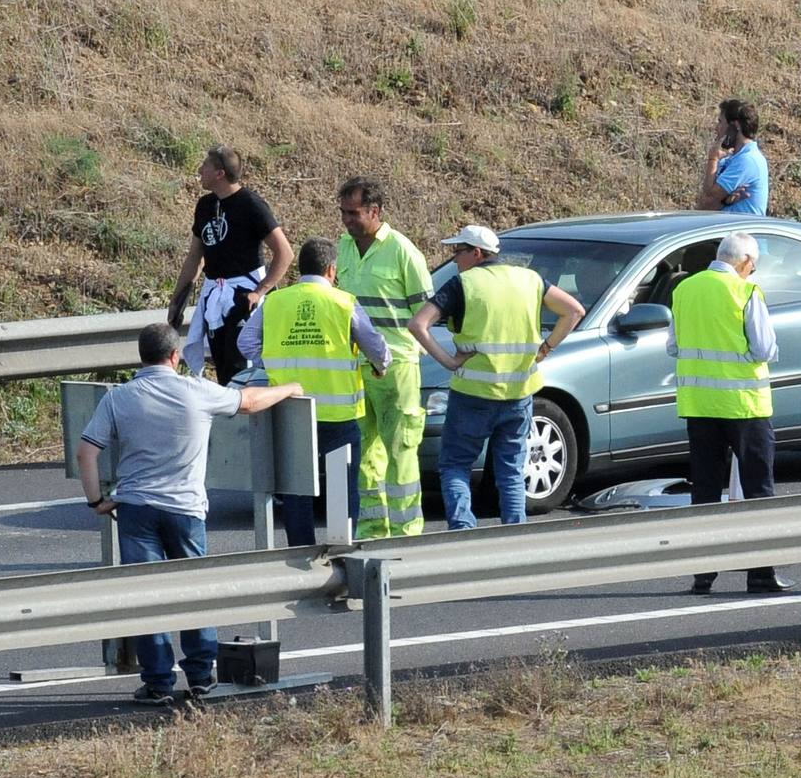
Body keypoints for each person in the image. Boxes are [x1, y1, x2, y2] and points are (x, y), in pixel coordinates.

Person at [75, 324, 302, 706]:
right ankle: (200, 677)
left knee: (147, 596)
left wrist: (96, 500)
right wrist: (289, 389)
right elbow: (248, 401)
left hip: (136, 509)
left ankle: (158, 683)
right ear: (175, 356)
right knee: (195, 593)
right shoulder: (195, 390)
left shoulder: (119, 398)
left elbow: (87, 451)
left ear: (141, 356)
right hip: (185, 509)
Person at [407, 225, 585, 528]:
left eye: (458, 252)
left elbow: (417, 325)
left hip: (472, 395)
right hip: (518, 394)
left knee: (455, 466)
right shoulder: (530, 279)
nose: (455, 259)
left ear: (477, 253)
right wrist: (546, 348)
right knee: (512, 470)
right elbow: (574, 311)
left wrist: (449, 361)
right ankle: (514, 535)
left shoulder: (464, 283)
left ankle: (464, 532)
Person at [240, 237, 389, 546]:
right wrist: (381, 365)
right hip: (338, 414)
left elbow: (246, 343)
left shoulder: (277, 301)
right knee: (342, 489)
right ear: (331, 269)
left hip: (290, 409)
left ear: (299, 269)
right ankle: (341, 549)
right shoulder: (343, 302)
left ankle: (300, 551)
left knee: (297, 487)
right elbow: (375, 346)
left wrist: (273, 366)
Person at [670, 232, 792, 594]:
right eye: (754, 265)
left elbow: (673, 346)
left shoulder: (684, 290)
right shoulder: (747, 292)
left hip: (699, 406)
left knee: (705, 491)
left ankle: (703, 575)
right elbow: (764, 348)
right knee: (758, 490)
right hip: (745, 406)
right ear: (746, 262)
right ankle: (760, 573)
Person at [334, 177, 435, 538]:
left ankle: (408, 531)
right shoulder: (343, 247)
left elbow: (425, 313)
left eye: (354, 213)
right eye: (343, 212)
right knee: (363, 453)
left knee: (401, 452)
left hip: (397, 367)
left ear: (375, 211)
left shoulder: (403, 251)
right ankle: (373, 529)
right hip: (356, 367)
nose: (346, 220)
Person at [167, 145, 294, 384]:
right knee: (223, 367)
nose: (199, 170)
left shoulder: (251, 205)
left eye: (205, 166)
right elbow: (195, 257)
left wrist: (259, 292)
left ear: (220, 173)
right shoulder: (205, 206)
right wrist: (177, 302)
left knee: (243, 370)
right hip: (216, 295)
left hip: (244, 298)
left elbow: (285, 253)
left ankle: (248, 417)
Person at [693, 99, 769, 215]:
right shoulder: (732, 159)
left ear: (736, 125)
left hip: (740, 231)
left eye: (720, 122)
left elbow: (709, 198)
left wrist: (712, 159)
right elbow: (704, 202)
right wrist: (726, 200)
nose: (717, 128)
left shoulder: (748, 160)